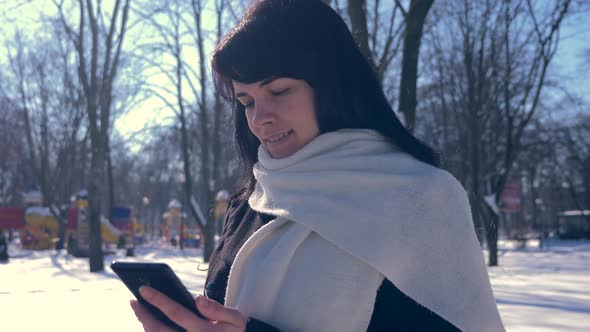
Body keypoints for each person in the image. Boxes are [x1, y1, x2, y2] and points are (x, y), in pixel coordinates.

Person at [129, 0, 505, 331]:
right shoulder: (250, 202)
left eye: (278, 91)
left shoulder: (421, 199)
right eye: (246, 101)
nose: (259, 118)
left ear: (333, 84)